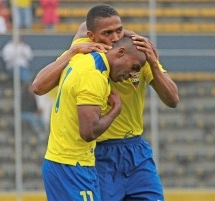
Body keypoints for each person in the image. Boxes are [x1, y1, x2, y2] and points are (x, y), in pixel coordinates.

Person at [32, 4, 179, 201]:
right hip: (99, 152)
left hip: (135, 150)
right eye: (107, 33)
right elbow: (39, 86)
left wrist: (153, 64)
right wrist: (72, 51)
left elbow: (172, 99)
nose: (115, 38)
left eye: (119, 30)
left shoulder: (135, 52)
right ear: (92, 36)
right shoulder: (86, 53)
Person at [41, 36, 147, 201]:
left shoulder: (80, 57)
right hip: (73, 164)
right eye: (134, 67)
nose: (133, 74)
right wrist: (115, 111)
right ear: (120, 52)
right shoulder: (94, 75)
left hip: (58, 160)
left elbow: (37, 86)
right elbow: (88, 132)